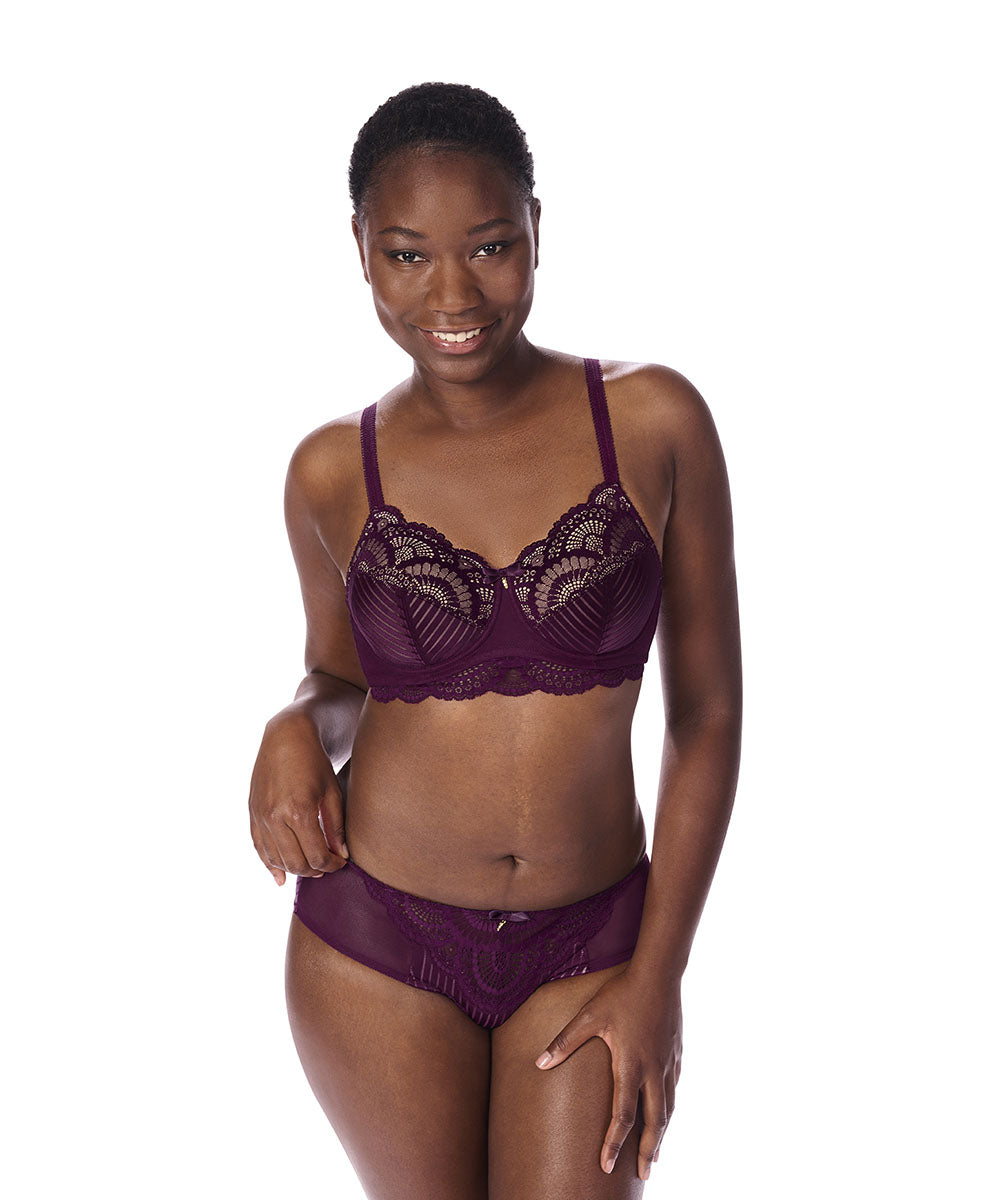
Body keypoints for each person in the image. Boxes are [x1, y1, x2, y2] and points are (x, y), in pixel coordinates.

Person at [248, 81, 742, 1199]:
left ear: (535, 229)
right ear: (362, 252)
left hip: (593, 940)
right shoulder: (331, 470)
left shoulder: (654, 421)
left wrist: (658, 975)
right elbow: (340, 674)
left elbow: (707, 713)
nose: (453, 294)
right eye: (407, 255)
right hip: (374, 941)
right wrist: (294, 722)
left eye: (489, 246)